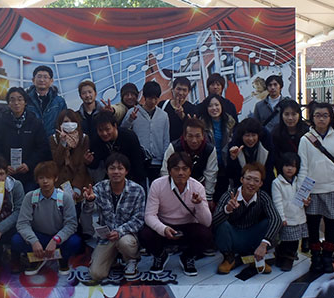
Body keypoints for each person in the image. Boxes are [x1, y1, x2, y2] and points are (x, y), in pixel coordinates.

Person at [298, 102, 334, 273]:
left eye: (325, 115)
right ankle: (315, 257)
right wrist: (303, 194)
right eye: (317, 115)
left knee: (330, 226)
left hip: (333, 189)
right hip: (313, 190)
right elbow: (303, 168)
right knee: (313, 226)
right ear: (312, 118)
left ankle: (327, 257)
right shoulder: (305, 140)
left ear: (330, 117)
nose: (321, 119)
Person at [141, 152, 212, 276]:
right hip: (164, 225)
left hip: (187, 226)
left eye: (185, 169)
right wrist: (163, 229)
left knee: (206, 234)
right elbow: (149, 215)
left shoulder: (198, 187)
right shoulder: (157, 185)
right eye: (176, 169)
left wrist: (199, 204)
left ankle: (188, 257)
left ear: (190, 171)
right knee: (145, 234)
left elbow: (206, 222)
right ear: (169, 171)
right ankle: (160, 255)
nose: (180, 173)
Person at [82, 153, 146, 282]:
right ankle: (114, 257)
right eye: (112, 168)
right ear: (107, 171)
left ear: (126, 171)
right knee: (96, 274)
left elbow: (139, 220)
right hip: (107, 237)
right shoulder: (99, 188)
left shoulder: (137, 190)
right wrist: (89, 201)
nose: (116, 172)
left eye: (120, 168)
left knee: (125, 243)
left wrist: (119, 231)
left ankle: (131, 260)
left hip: (127, 235)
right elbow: (87, 211)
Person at [13, 161, 82, 276]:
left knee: (75, 242)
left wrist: (56, 239)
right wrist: (34, 241)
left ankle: (63, 259)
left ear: (55, 178)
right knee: (16, 240)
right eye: (41, 178)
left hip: (57, 237)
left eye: (49, 177)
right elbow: (22, 223)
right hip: (38, 236)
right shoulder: (30, 197)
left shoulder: (65, 197)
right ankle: (36, 259)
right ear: (37, 180)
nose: (45, 181)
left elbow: (71, 224)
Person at [213, 162, 282, 275]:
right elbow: (213, 221)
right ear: (241, 179)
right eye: (248, 179)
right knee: (222, 224)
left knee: (269, 222)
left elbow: (276, 219)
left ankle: (256, 258)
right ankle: (228, 258)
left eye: (256, 180)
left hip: (252, 235)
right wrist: (227, 209)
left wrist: (264, 244)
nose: (251, 183)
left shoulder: (263, 196)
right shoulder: (229, 195)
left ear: (261, 183)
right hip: (233, 236)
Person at [0, 87, 49, 193]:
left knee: (28, 201)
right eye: (12, 100)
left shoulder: (35, 123)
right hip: (5, 174)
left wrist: (28, 164)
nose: (16, 103)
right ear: (8, 103)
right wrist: (4, 165)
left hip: (29, 175)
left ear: (25, 102)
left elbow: (43, 148)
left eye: (20, 99)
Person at [271, 99, 310, 252]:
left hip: (305, 172)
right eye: (286, 114)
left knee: (305, 205)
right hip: (286, 174)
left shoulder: (307, 131)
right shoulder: (276, 133)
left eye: (294, 114)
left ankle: (306, 238)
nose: (290, 118)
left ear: (299, 115)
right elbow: (274, 156)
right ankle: (288, 239)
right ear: (282, 116)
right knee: (289, 205)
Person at [49, 109, 93, 236]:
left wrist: (77, 188)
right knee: (63, 216)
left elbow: (82, 165)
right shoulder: (53, 139)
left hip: (79, 181)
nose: (69, 124)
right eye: (65, 122)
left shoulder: (83, 138)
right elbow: (57, 161)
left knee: (79, 214)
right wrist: (62, 143)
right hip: (61, 183)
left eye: (72, 121)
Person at [161, 118, 218, 209]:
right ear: (184, 136)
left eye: (198, 136)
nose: (194, 140)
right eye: (190, 136)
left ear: (203, 136)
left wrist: (208, 197)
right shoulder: (174, 147)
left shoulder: (209, 150)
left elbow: (211, 174)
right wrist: (170, 192)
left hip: (199, 186)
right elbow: (165, 171)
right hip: (176, 185)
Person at [121, 80, 170, 185]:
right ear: (144, 97)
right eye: (150, 98)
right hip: (139, 160)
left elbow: (166, 139)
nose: (153, 101)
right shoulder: (133, 112)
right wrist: (130, 120)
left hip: (158, 161)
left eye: (156, 98)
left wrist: (165, 160)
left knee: (157, 189)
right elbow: (122, 133)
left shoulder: (163, 115)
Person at [88, 110, 146, 188]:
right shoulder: (96, 140)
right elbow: (95, 165)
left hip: (133, 178)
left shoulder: (129, 137)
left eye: (107, 129)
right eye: (100, 130)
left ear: (115, 126)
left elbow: (137, 163)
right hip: (110, 180)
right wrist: (89, 162)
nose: (104, 133)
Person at [272, 152, 309, 271]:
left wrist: (306, 201)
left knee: (294, 242)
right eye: (287, 165)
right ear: (281, 166)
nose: (289, 169)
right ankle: (281, 255)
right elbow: (277, 202)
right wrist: (282, 217)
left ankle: (289, 259)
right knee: (285, 240)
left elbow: (303, 198)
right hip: (286, 218)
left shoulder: (299, 182)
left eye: (293, 166)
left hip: (299, 217)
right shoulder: (277, 183)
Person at [202, 94, 236, 205]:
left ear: (222, 106)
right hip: (209, 165)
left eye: (217, 105)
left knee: (227, 197)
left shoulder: (230, 122)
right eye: (210, 106)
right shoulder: (202, 124)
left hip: (226, 164)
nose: (214, 108)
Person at [227, 117, 275, 195]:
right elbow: (230, 174)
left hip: (263, 185)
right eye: (247, 135)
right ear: (241, 136)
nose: (251, 139)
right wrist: (233, 159)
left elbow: (269, 169)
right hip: (240, 187)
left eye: (253, 135)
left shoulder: (267, 144)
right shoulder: (234, 146)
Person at [26, 65, 67, 137]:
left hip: (53, 140)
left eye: (45, 77)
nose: (42, 80)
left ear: (51, 81)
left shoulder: (59, 102)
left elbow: (64, 122)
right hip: (31, 140)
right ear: (33, 80)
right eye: (39, 77)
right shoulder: (26, 100)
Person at [159, 76, 198, 141]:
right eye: (178, 89)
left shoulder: (192, 109)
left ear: (188, 92)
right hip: (165, 144)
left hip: (184, 145)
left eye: (184, 90)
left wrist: (182, 115)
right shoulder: (162, 105)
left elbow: (193, 129)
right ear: (173, 89)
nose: (181, 93)